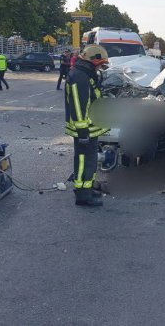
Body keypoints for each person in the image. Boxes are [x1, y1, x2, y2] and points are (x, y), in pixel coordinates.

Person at [65, 44, 110, 207]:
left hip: (90, 127)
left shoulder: (86, 73)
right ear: (93, 60)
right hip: (85, 129)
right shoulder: (80, 77)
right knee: (84, 161)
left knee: (89, 160)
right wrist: (82, 131)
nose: (101, 67)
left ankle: (88, 188)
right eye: (100, 63)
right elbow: (78, 105)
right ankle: (83, 195)